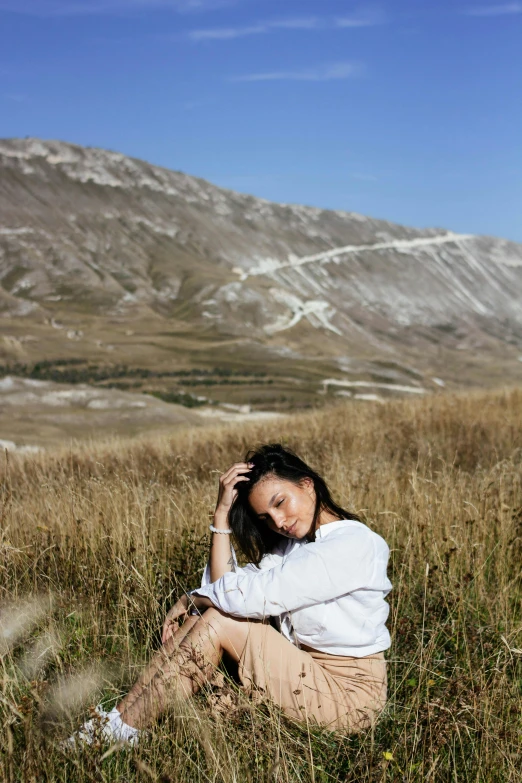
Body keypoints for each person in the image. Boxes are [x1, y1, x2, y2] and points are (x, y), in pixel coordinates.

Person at [67, 443, 392, 746]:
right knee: (212, 616)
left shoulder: (355, 545)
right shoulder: (292, 550)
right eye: (266, 517)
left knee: (217, 616)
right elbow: (226, 590)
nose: (278, 521)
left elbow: (254, 594)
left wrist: (192, 598)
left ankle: (120, 731)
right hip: (308, 671)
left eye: (280, 502)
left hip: (349, 696)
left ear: (307, 485)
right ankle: (117, 723)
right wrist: (221, 514)